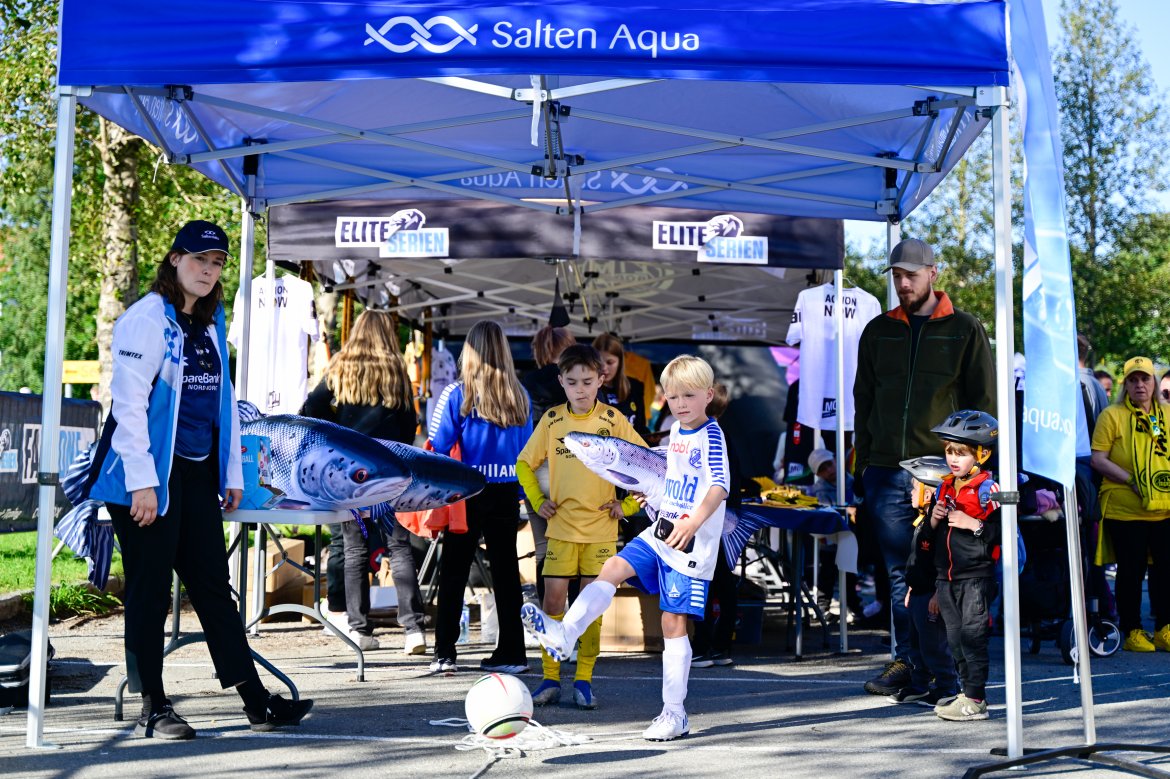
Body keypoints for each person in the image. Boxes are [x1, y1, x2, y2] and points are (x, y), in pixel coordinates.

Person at [89, 220, 312, 739]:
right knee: (148, 590)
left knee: (214, 587)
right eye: (198, 261)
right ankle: (154, 706)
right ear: (174, 260)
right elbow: (128, 409)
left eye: (216, 264)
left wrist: (232, 472)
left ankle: (255, 701)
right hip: (143, 476)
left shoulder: (211, 324)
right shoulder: (145, 320)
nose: (208, 271)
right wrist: (143, 484)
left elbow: (223, 407)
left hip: (194, 473)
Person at [522, 355, 729, 742]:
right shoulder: (677, 435)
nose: (680, 403)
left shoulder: (710, 435)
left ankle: (674, 713)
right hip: (660, 531)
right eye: (672, 396)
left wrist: (693, 522)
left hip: (689, 543)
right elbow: (669, 479)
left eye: (689, 395)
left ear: (708, 395)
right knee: (613, 569)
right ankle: (566, 634)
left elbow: (718, 486)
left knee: (673, 623)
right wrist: (647, 492)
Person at [853, 238, 995, 697]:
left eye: (911, 274)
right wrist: (864, 465)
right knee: (899, 574)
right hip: (885, 472)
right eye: (896, 274)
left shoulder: (965, 329)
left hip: (942, 475)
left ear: (934, 273)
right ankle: (911, 664)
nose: (902, 282)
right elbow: (863, 402)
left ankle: (941, 672)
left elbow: (985, 409)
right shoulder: (877, 331)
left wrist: (976, 476)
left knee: (940, 575)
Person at [517, 344, 645, 708]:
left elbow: (645, 464)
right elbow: (524, 464)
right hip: (560, 530)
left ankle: (585, 680)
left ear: (601, 378)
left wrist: (629, 504)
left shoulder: (614, 420)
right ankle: (550, 678)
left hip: (601, 532)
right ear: (561, 382)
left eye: (588, 381)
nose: (580, 389)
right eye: (572, 382)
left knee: (589, 608)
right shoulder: (553, 419)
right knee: (553, 601)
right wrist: (538, 503)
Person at [301, 309, 423, 655]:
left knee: (354, 549)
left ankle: (360, 629)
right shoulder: (398, 370)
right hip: (388, 469)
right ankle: (414, 629)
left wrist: (335, 439)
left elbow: (310, 411)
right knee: (399, 548)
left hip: (348, 473)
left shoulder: (340, 368)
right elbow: (409, 423)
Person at [428, 320, 533, 673]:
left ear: (468, 351)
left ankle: (445, 652)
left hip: (466, 492)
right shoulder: (520, 395)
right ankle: (514, 652)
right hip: (506, 492)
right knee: (506, 572)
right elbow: (528, 452)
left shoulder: (457, 394)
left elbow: (437, 446)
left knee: (454, 571)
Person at [1089, 356, 1170, 653]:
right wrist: (1132, 481)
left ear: (1155, 383)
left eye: (1144, 379)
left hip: (1164, 506)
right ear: (1126, 385)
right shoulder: (1112, 415)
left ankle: (1164, 628)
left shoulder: (1168, 415)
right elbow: (1098, 459)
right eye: (1133, 380)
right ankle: (1132, 629)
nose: (1139, 385)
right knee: (1131, 571)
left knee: (1166, 570)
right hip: (1125, 508)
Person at [928, 410, 1001, 721]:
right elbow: (928, 539)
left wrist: (974, 524)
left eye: (961, 452)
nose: (953, 458)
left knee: (972, 638)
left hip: (974, 578)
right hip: (946, 579)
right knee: (955, 639)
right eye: (949, 451)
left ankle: (976, 699)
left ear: (982, 454)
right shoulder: (944, 486)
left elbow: (1002, 533)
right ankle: (964, 693)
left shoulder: (989, 489)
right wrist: (931, 520)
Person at [891, 455, 959, 708]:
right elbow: (917, 560)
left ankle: (948, 687)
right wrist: (911, 587)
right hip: (919, 592)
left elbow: (944, 563)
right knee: (917, 645)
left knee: (935, 646)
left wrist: (937, 594)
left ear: (929, 493)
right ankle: (920, 685)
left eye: (914, 487)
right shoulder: (922, 522)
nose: (910, 491)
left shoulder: (942, 526)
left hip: (933, 595)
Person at [519, 324, 577, 602]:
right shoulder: (578, 381)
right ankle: (580, 624)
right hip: (575, 469)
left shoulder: (526, 383)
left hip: (538, 469)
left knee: (544, 548)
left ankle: (549, 619)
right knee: (579, 546)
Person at [690, 383, 741, 668]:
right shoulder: (722, 434)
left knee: (707, 579)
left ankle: (704, 645)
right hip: (722, 518)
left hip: (712, 519)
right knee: (721, 580)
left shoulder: (710, 435)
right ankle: (720, 646)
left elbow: (719, 484)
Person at [593, 333, 648, 437]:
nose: (604, 368)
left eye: (610, 362)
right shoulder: (588, 389)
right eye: (599, 362)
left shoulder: (635, 387)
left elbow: (640, 428)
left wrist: (651, 438)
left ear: (620, 362)